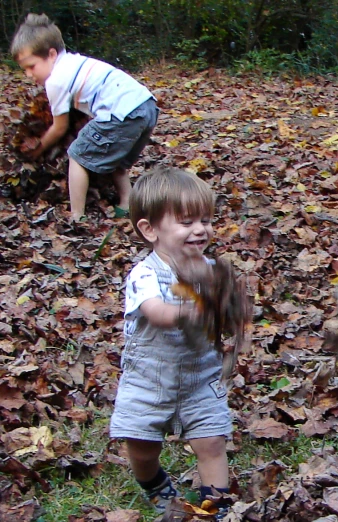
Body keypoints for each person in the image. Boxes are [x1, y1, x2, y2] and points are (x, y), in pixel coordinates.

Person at [110, 168, 232, 513]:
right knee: (142, 448)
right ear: (150, 230)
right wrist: (192, 311)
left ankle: (217, 505)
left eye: (206, 220)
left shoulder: (210, 269)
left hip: (201, 376)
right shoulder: (145, 274)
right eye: (186, 221)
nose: (200, 229)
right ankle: (154, 483)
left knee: (211, 443)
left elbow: (223, 311)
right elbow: (158, 312)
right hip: (149, 379)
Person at [10, 13, 158, 221]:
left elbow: (59, 127)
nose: (28, 74)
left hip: (121, 112)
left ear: (51, 54)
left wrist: (39, 148)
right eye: (24, 69)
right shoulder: (74, 61)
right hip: (147, 106)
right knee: (119, 163)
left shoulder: (56, 81)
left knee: (77, 156)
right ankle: (126, 205)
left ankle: (77, 214)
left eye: (31, 66)